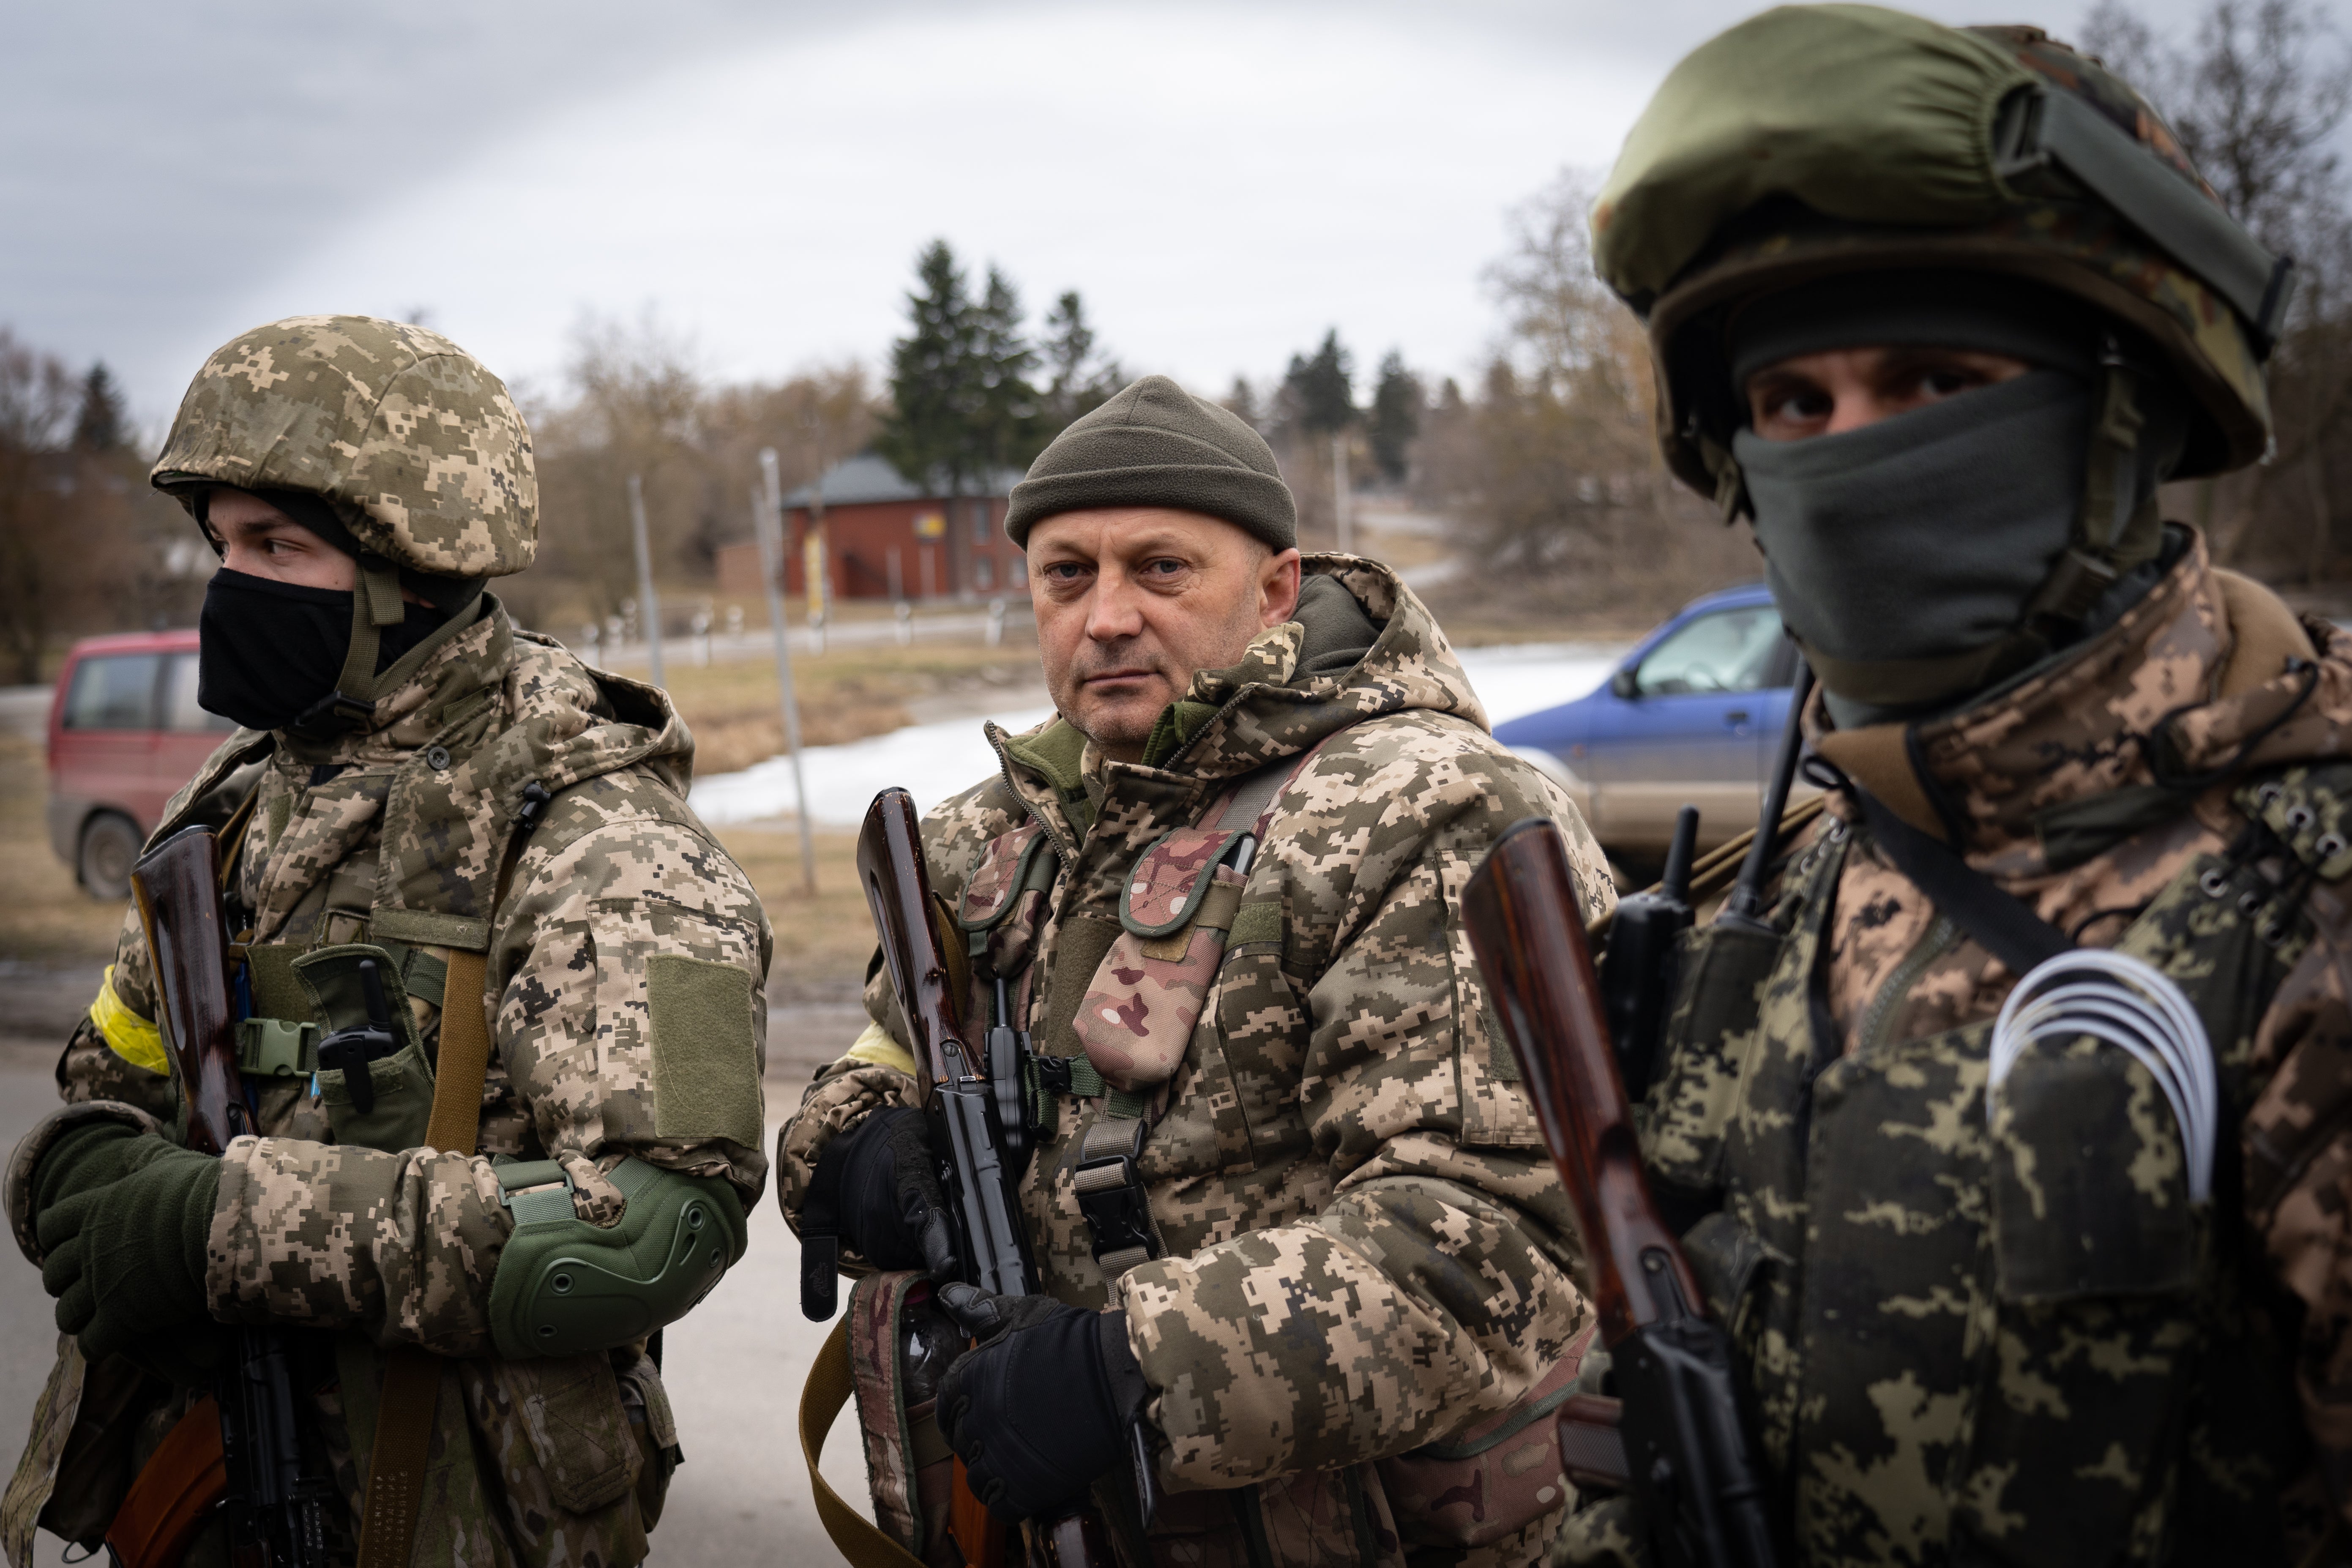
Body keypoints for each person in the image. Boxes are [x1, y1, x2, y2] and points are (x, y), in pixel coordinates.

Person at [1552, 6, 2349, 1563]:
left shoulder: (2305, 904)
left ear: (2120, 419)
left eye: (1934, 383)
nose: (1851, 459)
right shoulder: (1788, 887)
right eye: (1796, 406)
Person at [777, 375, 1616, 1566]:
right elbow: (886, 1052)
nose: (1106, 616)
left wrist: (1129, 1366)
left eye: (1160, 569)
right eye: (1068, 575)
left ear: (1277, 588)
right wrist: (852, 1145)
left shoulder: (1424, 813)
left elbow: (1496, 1246)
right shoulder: (985, 842)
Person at [0, 315, 770, 1566]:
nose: (229, 584)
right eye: (221, 544)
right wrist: (74, 1176)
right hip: (200, 1494)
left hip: (453, 1514)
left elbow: (652, 1229)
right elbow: (109, 1082)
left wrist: (227, 1227)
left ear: (409, 567)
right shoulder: (244, 802)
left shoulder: (599, 833)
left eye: (276, 546)